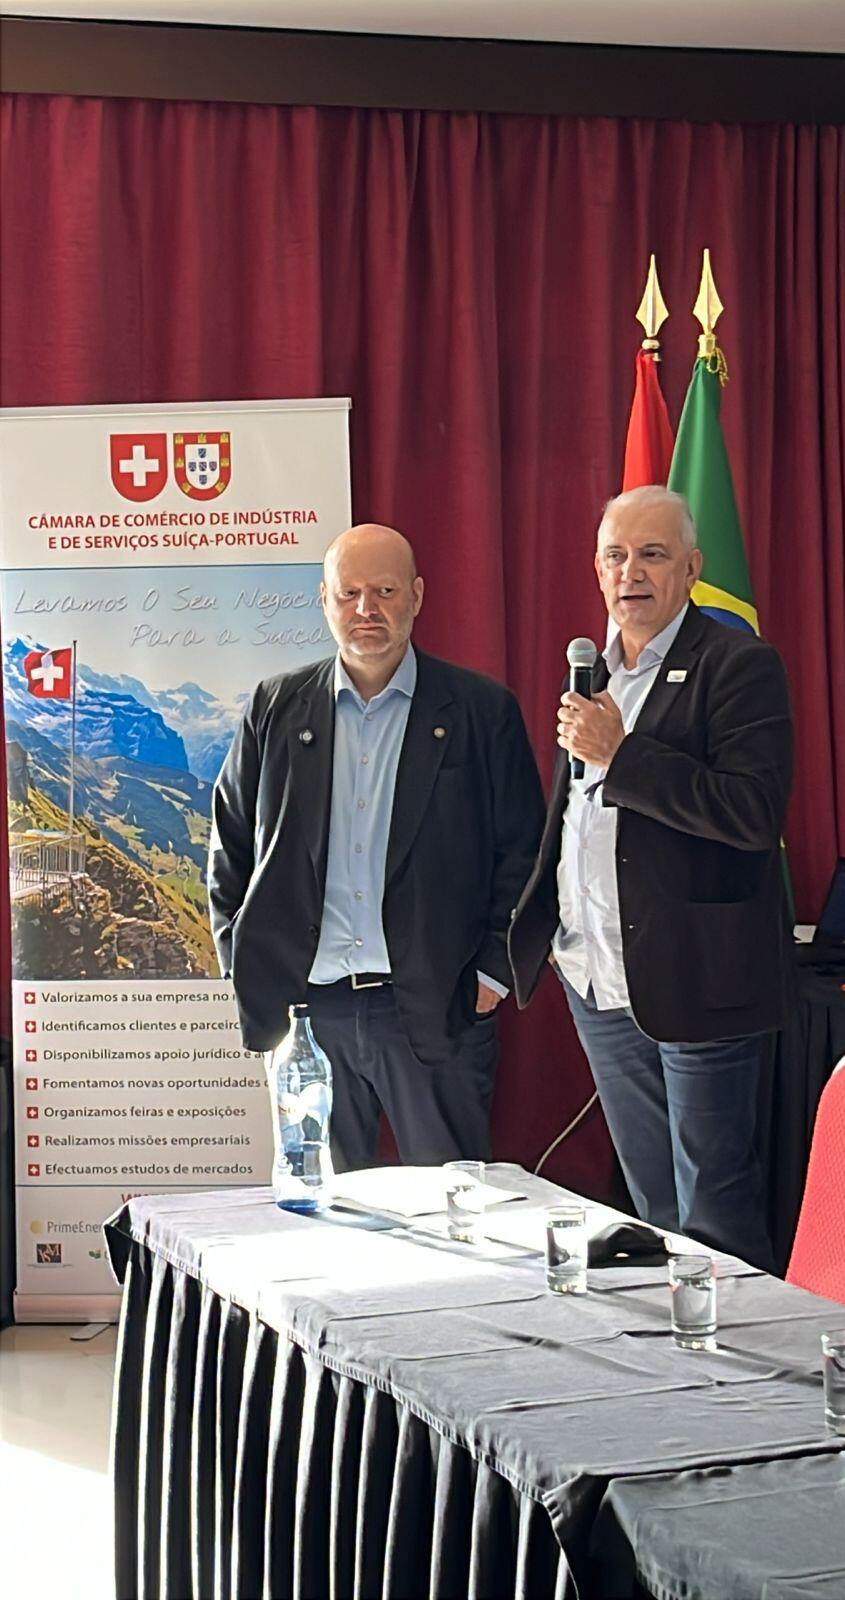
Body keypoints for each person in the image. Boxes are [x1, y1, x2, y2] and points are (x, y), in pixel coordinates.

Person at [509, 485, 793, 1270]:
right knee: (654, 1212)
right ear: (597, 570)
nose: (630, 572)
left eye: (652, 555)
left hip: (698, 980)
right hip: (597, 977)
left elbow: (752, 813)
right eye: (615, 555)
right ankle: (672, 1341)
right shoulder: (593, 674)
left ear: (692, 569)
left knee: (714, 1208)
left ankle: (738, 1346)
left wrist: (624, 755)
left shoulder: (738, 666)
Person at [209, 523, 545, 1170]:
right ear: (325, 600)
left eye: (385, 591)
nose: (367, 609)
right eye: (350, 593)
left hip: (435, 1004)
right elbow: (230, 841)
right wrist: (242, 958)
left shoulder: (481, 711)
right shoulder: (275, 707)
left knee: (452, 1203)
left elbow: (523, 851)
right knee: (320, 1207)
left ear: (416, 595)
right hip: (307, 1010)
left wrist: (491, 974)